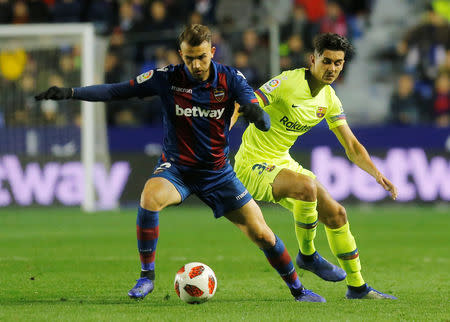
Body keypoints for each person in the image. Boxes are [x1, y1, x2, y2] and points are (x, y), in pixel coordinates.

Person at [35, 24, 325, 303]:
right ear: (180, 54)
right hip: (177, 169)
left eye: (201, 57)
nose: (196, 65)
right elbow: (116, 91)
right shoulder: (167, 78)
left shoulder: (231, 79)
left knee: (262, 233)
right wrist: (71, 93)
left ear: (212, 51)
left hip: (218, 173)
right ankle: (146, 276)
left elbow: (264, 122)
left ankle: (298, 290)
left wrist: (256, 114)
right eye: (189, 58)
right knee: (150, 196)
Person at [233, 33, 398, 300]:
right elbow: (245, 105)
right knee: (307, 187)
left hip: (282, 161)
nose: (332, 68)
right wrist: (218, 137)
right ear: (313, 59)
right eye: (327, 61)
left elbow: (352, 146)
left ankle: (357, 287)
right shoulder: (287, 82)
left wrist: (378, 174)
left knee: (337, 214)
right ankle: (307, 255)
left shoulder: (330, 99)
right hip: (252, 164)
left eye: (338, 63)